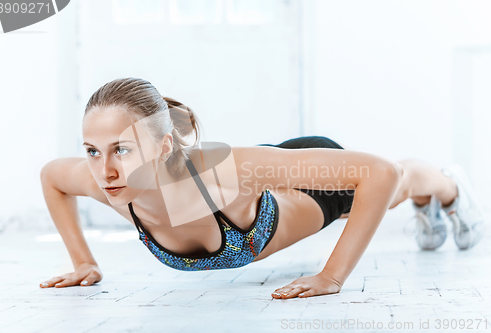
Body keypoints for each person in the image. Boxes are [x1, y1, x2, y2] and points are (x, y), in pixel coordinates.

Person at [39, 77, 487, 299]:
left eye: (122, 149)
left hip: (304, 189)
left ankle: (446, 188)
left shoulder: (219, 173)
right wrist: (83, 260)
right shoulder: (108, 184)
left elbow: (380, 173)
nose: (105, 170)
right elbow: (52, 177)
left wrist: (332, 276)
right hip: (265, 172)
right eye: (93, 151)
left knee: (397, 184)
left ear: (163, 146)